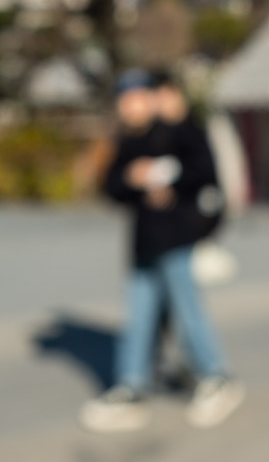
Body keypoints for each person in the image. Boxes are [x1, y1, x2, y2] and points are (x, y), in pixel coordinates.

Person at [80, 70, 244, 432]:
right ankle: (132, 386)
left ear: (152, 98)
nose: (130, 107)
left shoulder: (180, 130)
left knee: (188, 311)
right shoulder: (127, 140)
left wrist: (168, 178)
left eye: (136, 98)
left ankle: (216, 377)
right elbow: (109, 186)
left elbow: (205, 174)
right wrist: (131, 179)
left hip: (177, 239)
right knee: (139, 317)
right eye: (124, 100)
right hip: (144, 244)